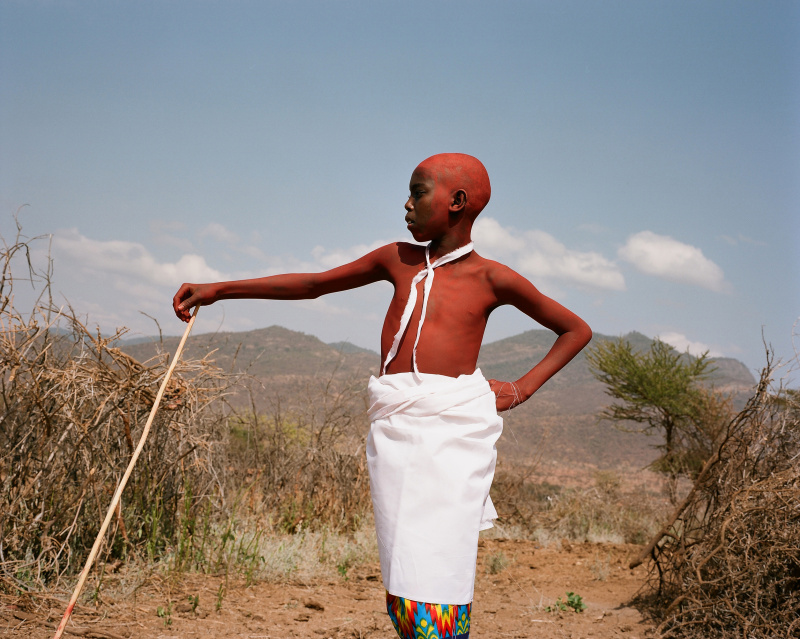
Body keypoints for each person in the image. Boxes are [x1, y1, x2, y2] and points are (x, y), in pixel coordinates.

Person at [173, 153, 592, 639]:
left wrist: (521, 389)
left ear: (457, 202)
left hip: (451, 437)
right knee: (401, 569)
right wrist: (219, 289)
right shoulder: (397, 259)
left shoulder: (492, 278)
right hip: (395, 430)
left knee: (438, 566)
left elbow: (575, 330)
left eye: (418, 192)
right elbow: (314, 284)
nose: (407, 204)